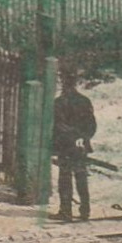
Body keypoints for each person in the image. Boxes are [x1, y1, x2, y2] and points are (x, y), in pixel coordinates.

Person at [51, 67, 96, 222]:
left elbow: (58, 125)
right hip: (81, 146)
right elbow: (91, 125)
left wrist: (71, 137)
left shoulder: (59, 103)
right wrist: (83, 138)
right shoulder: (85, 101)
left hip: (66, 145)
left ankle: (66, 211)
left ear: (63, 84)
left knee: (65, 178)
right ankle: (85, 211)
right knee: (81, 176)